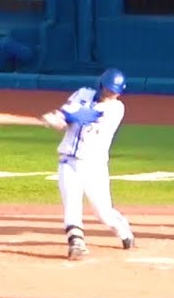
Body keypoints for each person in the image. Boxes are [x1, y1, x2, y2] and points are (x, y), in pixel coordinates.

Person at [40, 68, 136, 260]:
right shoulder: (82, 93)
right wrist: (57, 118)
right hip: (68, 160)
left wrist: (62, 117)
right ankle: (77, 242)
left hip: (94, 166)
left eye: (115, 91)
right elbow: (68, 112)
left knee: (103, 213)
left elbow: (84, 116)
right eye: (109, 89)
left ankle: (123, 231)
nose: (111, 94)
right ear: (101, 85)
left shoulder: (116, 108)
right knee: (71, 203)